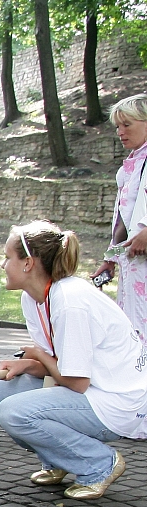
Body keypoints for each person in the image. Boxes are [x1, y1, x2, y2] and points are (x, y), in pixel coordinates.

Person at [0, 220, 147, 500]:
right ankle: (60, 460)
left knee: (15, 412)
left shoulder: (70, 300)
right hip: (88, 390)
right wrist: (29, 364)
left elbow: (77, 381)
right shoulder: (33, 298)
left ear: (28, 263)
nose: (3, 264)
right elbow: (60, 366)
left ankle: (99, 464)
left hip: (116, 402)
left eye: (8, 258)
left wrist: (38, 356)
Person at [91, 93, 147, 346]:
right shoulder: (131, 166)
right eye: (118, 126)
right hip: (134, 262)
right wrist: (110, 258)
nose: (121, 132)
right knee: (133, 327)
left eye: (127, 124)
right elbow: (123, 217)